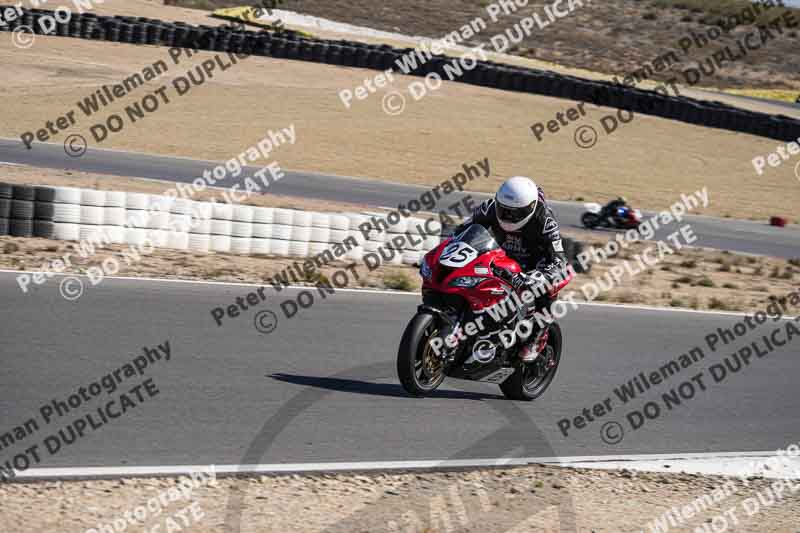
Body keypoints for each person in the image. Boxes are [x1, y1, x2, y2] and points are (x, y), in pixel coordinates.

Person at [455, 176, 572, 362]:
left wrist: (538, 278)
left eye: (515, 213)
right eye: (504, 210)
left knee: (548, 288)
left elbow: (559, 260)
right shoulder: (489, 208)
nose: (508, 217)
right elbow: (461, 231)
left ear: (531, 207)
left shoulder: (545, 220)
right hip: (501, 256)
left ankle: (537, 336)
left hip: (535, 263)